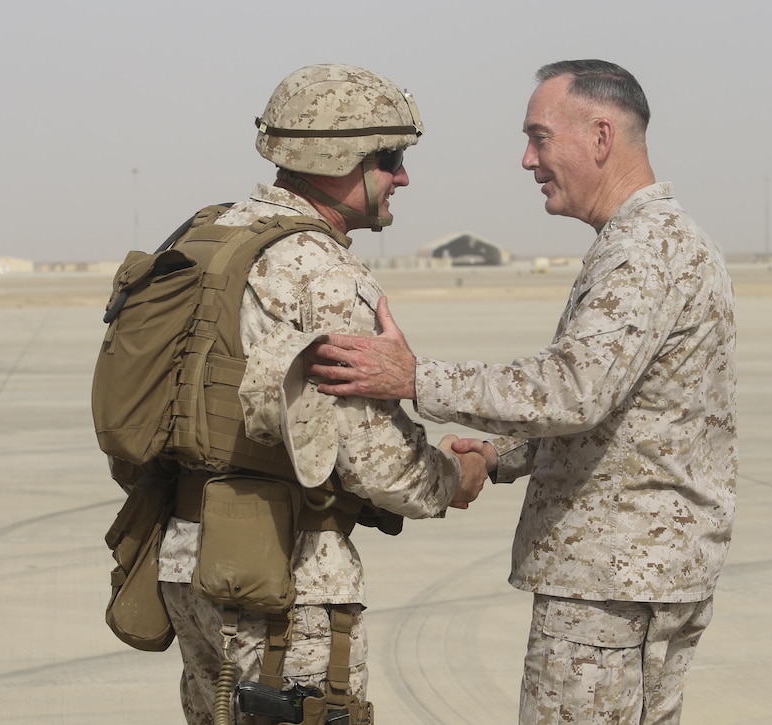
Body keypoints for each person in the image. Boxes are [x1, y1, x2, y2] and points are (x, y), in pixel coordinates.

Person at [308, 59, 737, 725]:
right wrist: (500, 453)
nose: (526, 159)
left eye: (539, 138)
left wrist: (414, 377)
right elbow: (618, 407)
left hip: (609, 585)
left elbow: (573, 390)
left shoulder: (643, 252)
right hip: (644, 575)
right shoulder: (658, 242)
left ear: (599, 137)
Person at [155, 63, 488, 725]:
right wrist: (456, 474)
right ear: (339, 160)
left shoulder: (211, 239)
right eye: (390, 158)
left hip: (187, 561)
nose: (403, 176)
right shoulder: (319, 272)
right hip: (283, 584)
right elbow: (374, 459)